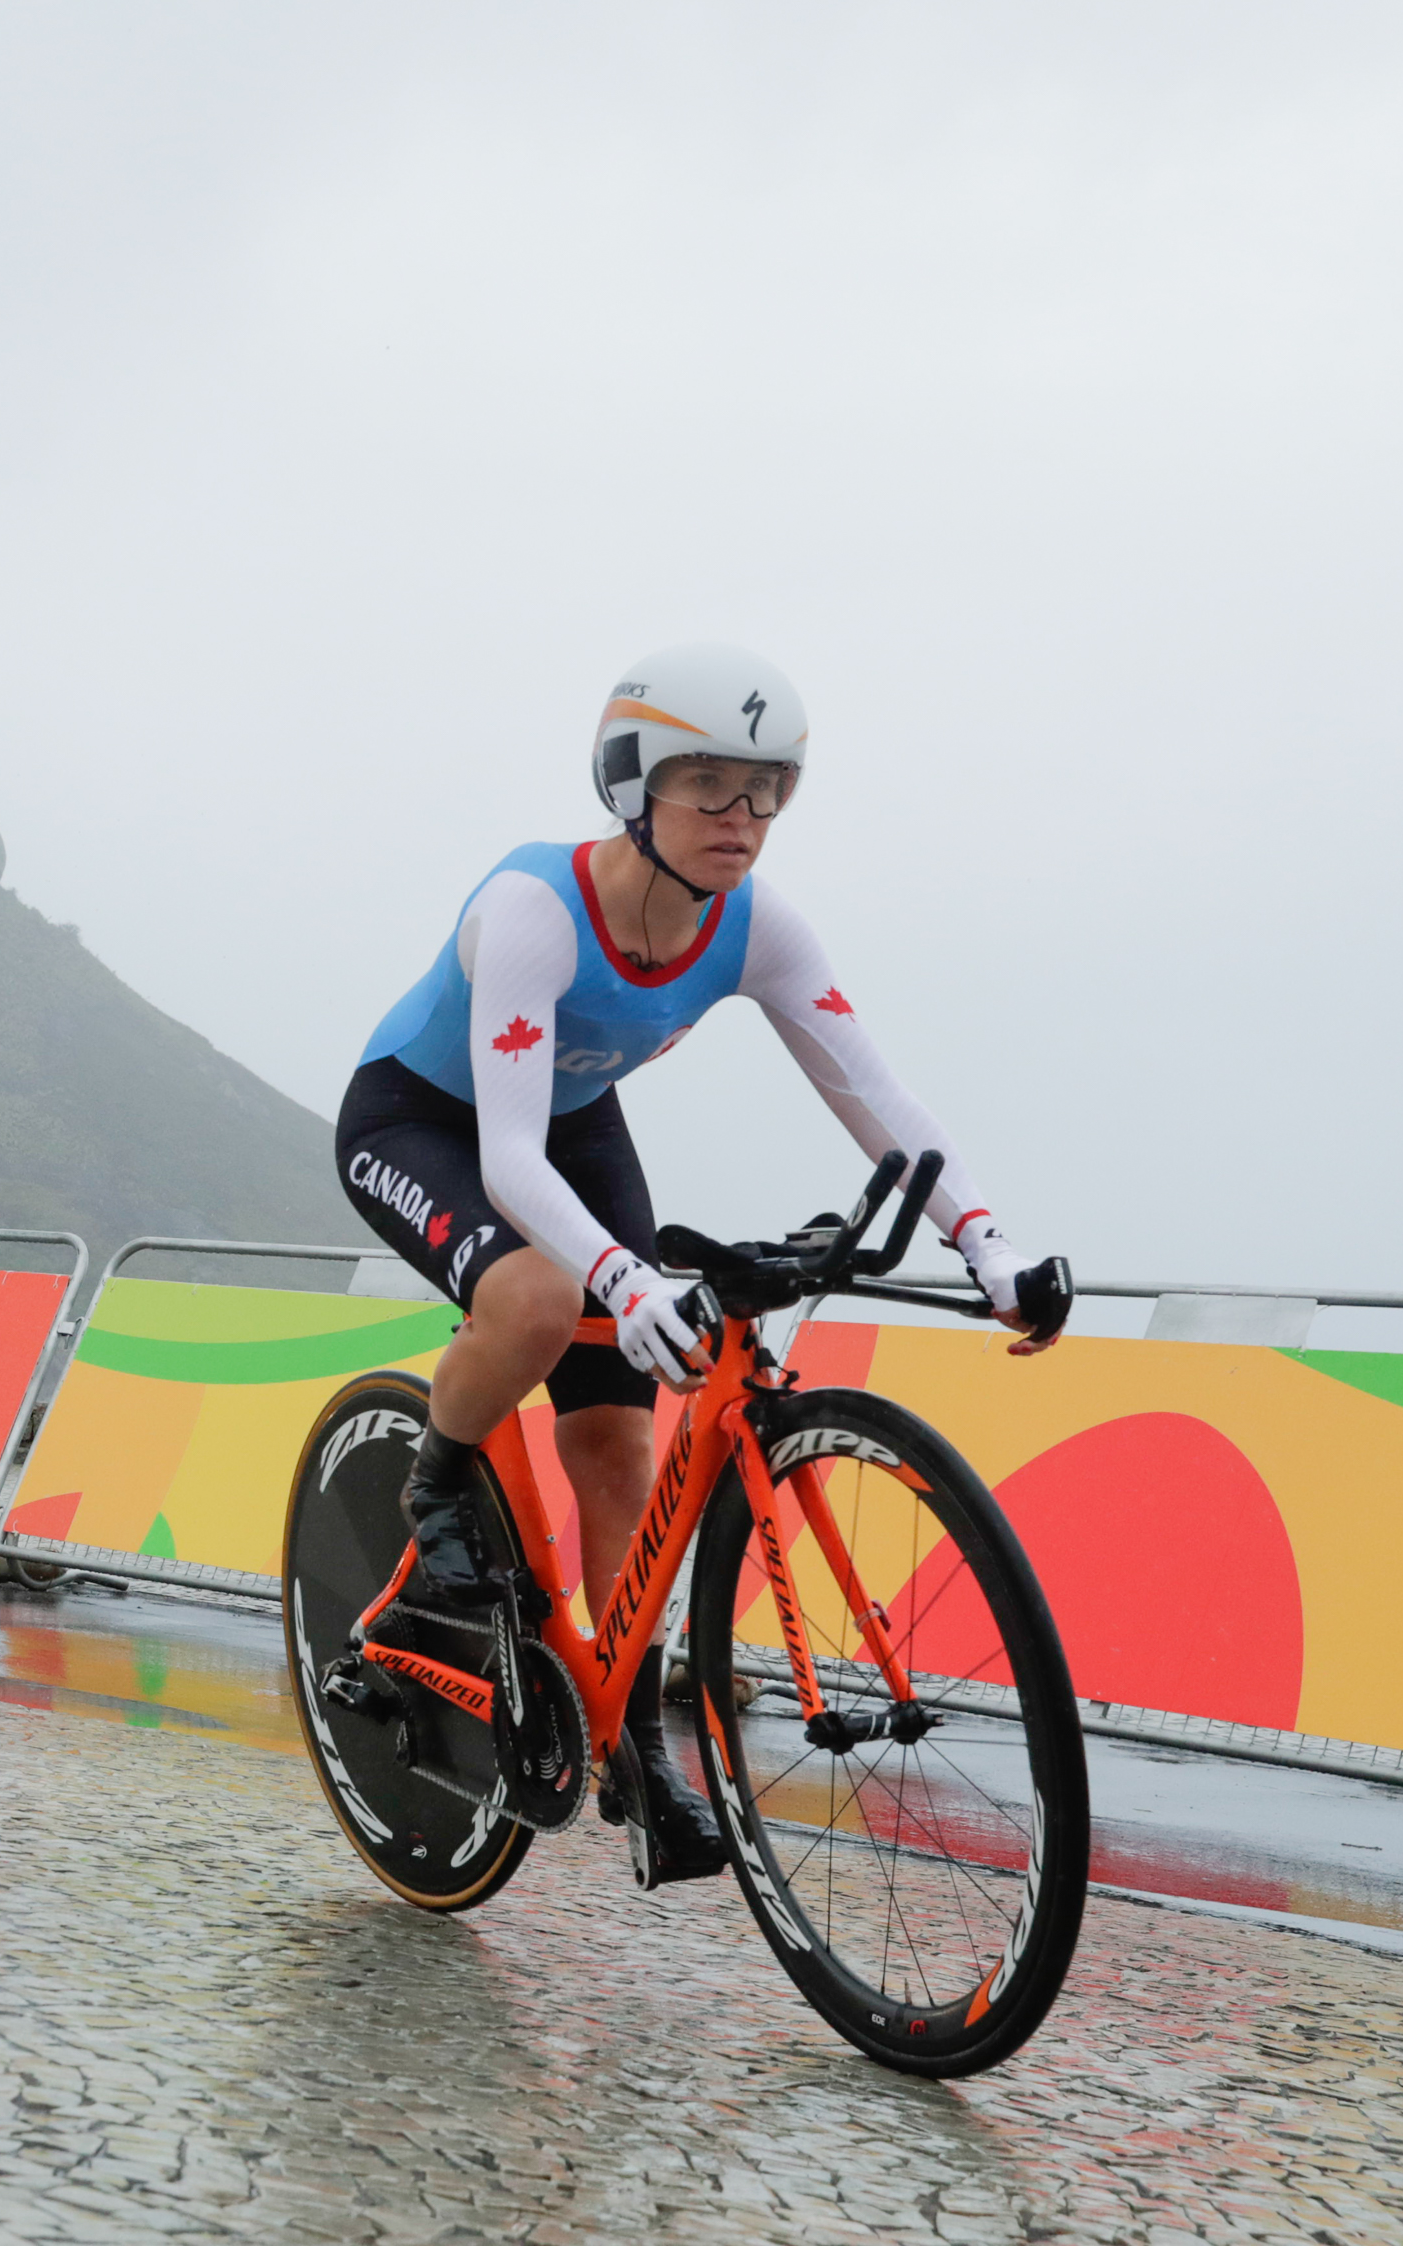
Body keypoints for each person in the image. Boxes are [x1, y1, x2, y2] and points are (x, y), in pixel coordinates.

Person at [333, 642, 1062, 1882]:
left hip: (571, 1124)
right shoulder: (532, 910)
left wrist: (984, 1239)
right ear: (633, 785)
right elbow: (506, 1154)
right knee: (539, 1293)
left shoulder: (756, 926)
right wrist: (625, 1279)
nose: (744, 818)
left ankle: (629, 1747)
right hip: (422, 1118)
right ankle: (440, 1483)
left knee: (620, 1449)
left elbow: (871, 1090)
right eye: (712, 786)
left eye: (770, 789)